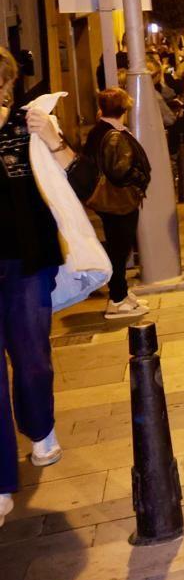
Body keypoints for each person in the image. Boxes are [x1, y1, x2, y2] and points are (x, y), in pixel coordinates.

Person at [0, 46, 67, 524]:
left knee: (32, 360)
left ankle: (39, 426)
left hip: (26, 261)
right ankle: (2, 480)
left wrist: (56, 142)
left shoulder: (30, 122)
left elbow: (81, 179)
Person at [83, 88, 153, 319]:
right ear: (124, 108)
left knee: (119, 246)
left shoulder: (101, 130)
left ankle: (121, 292)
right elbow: (119, 170)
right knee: (119, 248)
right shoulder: (113, 134)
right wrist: (139, 178)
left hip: (109, 200)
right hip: (117, 200)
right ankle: (117, 299)